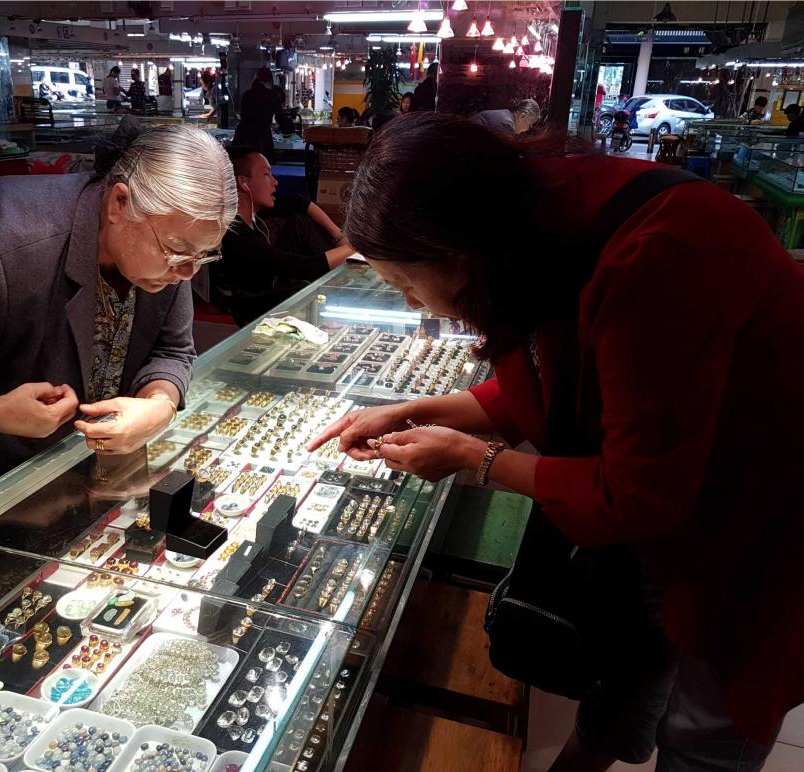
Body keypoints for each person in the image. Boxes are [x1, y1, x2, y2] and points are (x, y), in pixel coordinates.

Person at [308, 114, 804, 772]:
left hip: (758, 518)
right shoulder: (537, 220)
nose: (418, 307)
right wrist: (415, 409)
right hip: (678, 492)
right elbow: (547, 388)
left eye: (406, 285)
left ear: (459, 257)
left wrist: (475, 461)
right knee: (628, 665)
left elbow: (638, 494)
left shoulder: (654, 259)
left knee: (707, 724)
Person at [0, 124, 237, 522]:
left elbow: (172, 349)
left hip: (76, 476)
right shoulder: (0, 240)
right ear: (119, 204)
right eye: (177, 251)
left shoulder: (165, 251)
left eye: (205, 255)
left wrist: (160, 405)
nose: (189, 272)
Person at [211, 146, 356, 325]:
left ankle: (346, 274)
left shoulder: (256, 214)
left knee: (300, 220)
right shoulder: (236, 235)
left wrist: (339, 236)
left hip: (283, 292)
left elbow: (298, 202)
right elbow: (305, 267)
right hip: (261, 314)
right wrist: (356, 246)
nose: (275, 182)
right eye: (266, 174)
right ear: (243, 183)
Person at [233, 67, 285, 162]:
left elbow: (243, 116)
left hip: (244, 136)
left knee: (245, 166)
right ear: (270, 80)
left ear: (256, 78)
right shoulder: (273, 96)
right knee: (264, 165)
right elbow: (281, 118)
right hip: (263, 137)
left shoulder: (247, 95)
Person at [472, 98, 542, 135]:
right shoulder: (506, 124)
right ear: (522, 116)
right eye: (530, 124)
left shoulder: (506, 114)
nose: (528, 129)